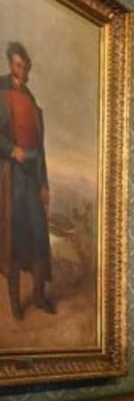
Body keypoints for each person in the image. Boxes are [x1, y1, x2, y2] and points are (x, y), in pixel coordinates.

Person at [1, 42, 54, 320]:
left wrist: (44, 184)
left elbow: (40, 149)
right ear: (11, 65)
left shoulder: (31, 101)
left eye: (25, 66)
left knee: (39, 234)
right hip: (10, 176)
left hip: (32, 176)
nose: (22, 70)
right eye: (17, 65)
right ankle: (15, 305)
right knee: (14, 238)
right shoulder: (0, 91)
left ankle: (39, 297)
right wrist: (11, 150)